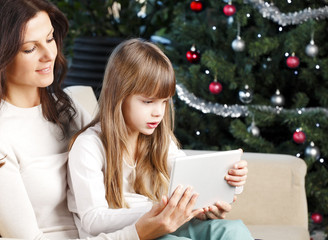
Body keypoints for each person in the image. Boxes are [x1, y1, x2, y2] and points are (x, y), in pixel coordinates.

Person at [0, 1, 197, 239]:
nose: (49, 55)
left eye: (50, 38)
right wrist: (137, 232)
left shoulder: (67, 108)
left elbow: (120, 179)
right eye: (30, 49)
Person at [68, 38, 253, 240]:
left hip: (162, 223)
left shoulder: (160, 140)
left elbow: (190, 179)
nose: (159, 112)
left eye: (164, 102)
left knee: (232, 230)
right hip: (127, 234)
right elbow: (93, 220)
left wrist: (228, 181)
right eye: (148, 101)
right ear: (119, 96)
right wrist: (156, 212)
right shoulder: (89, 146)